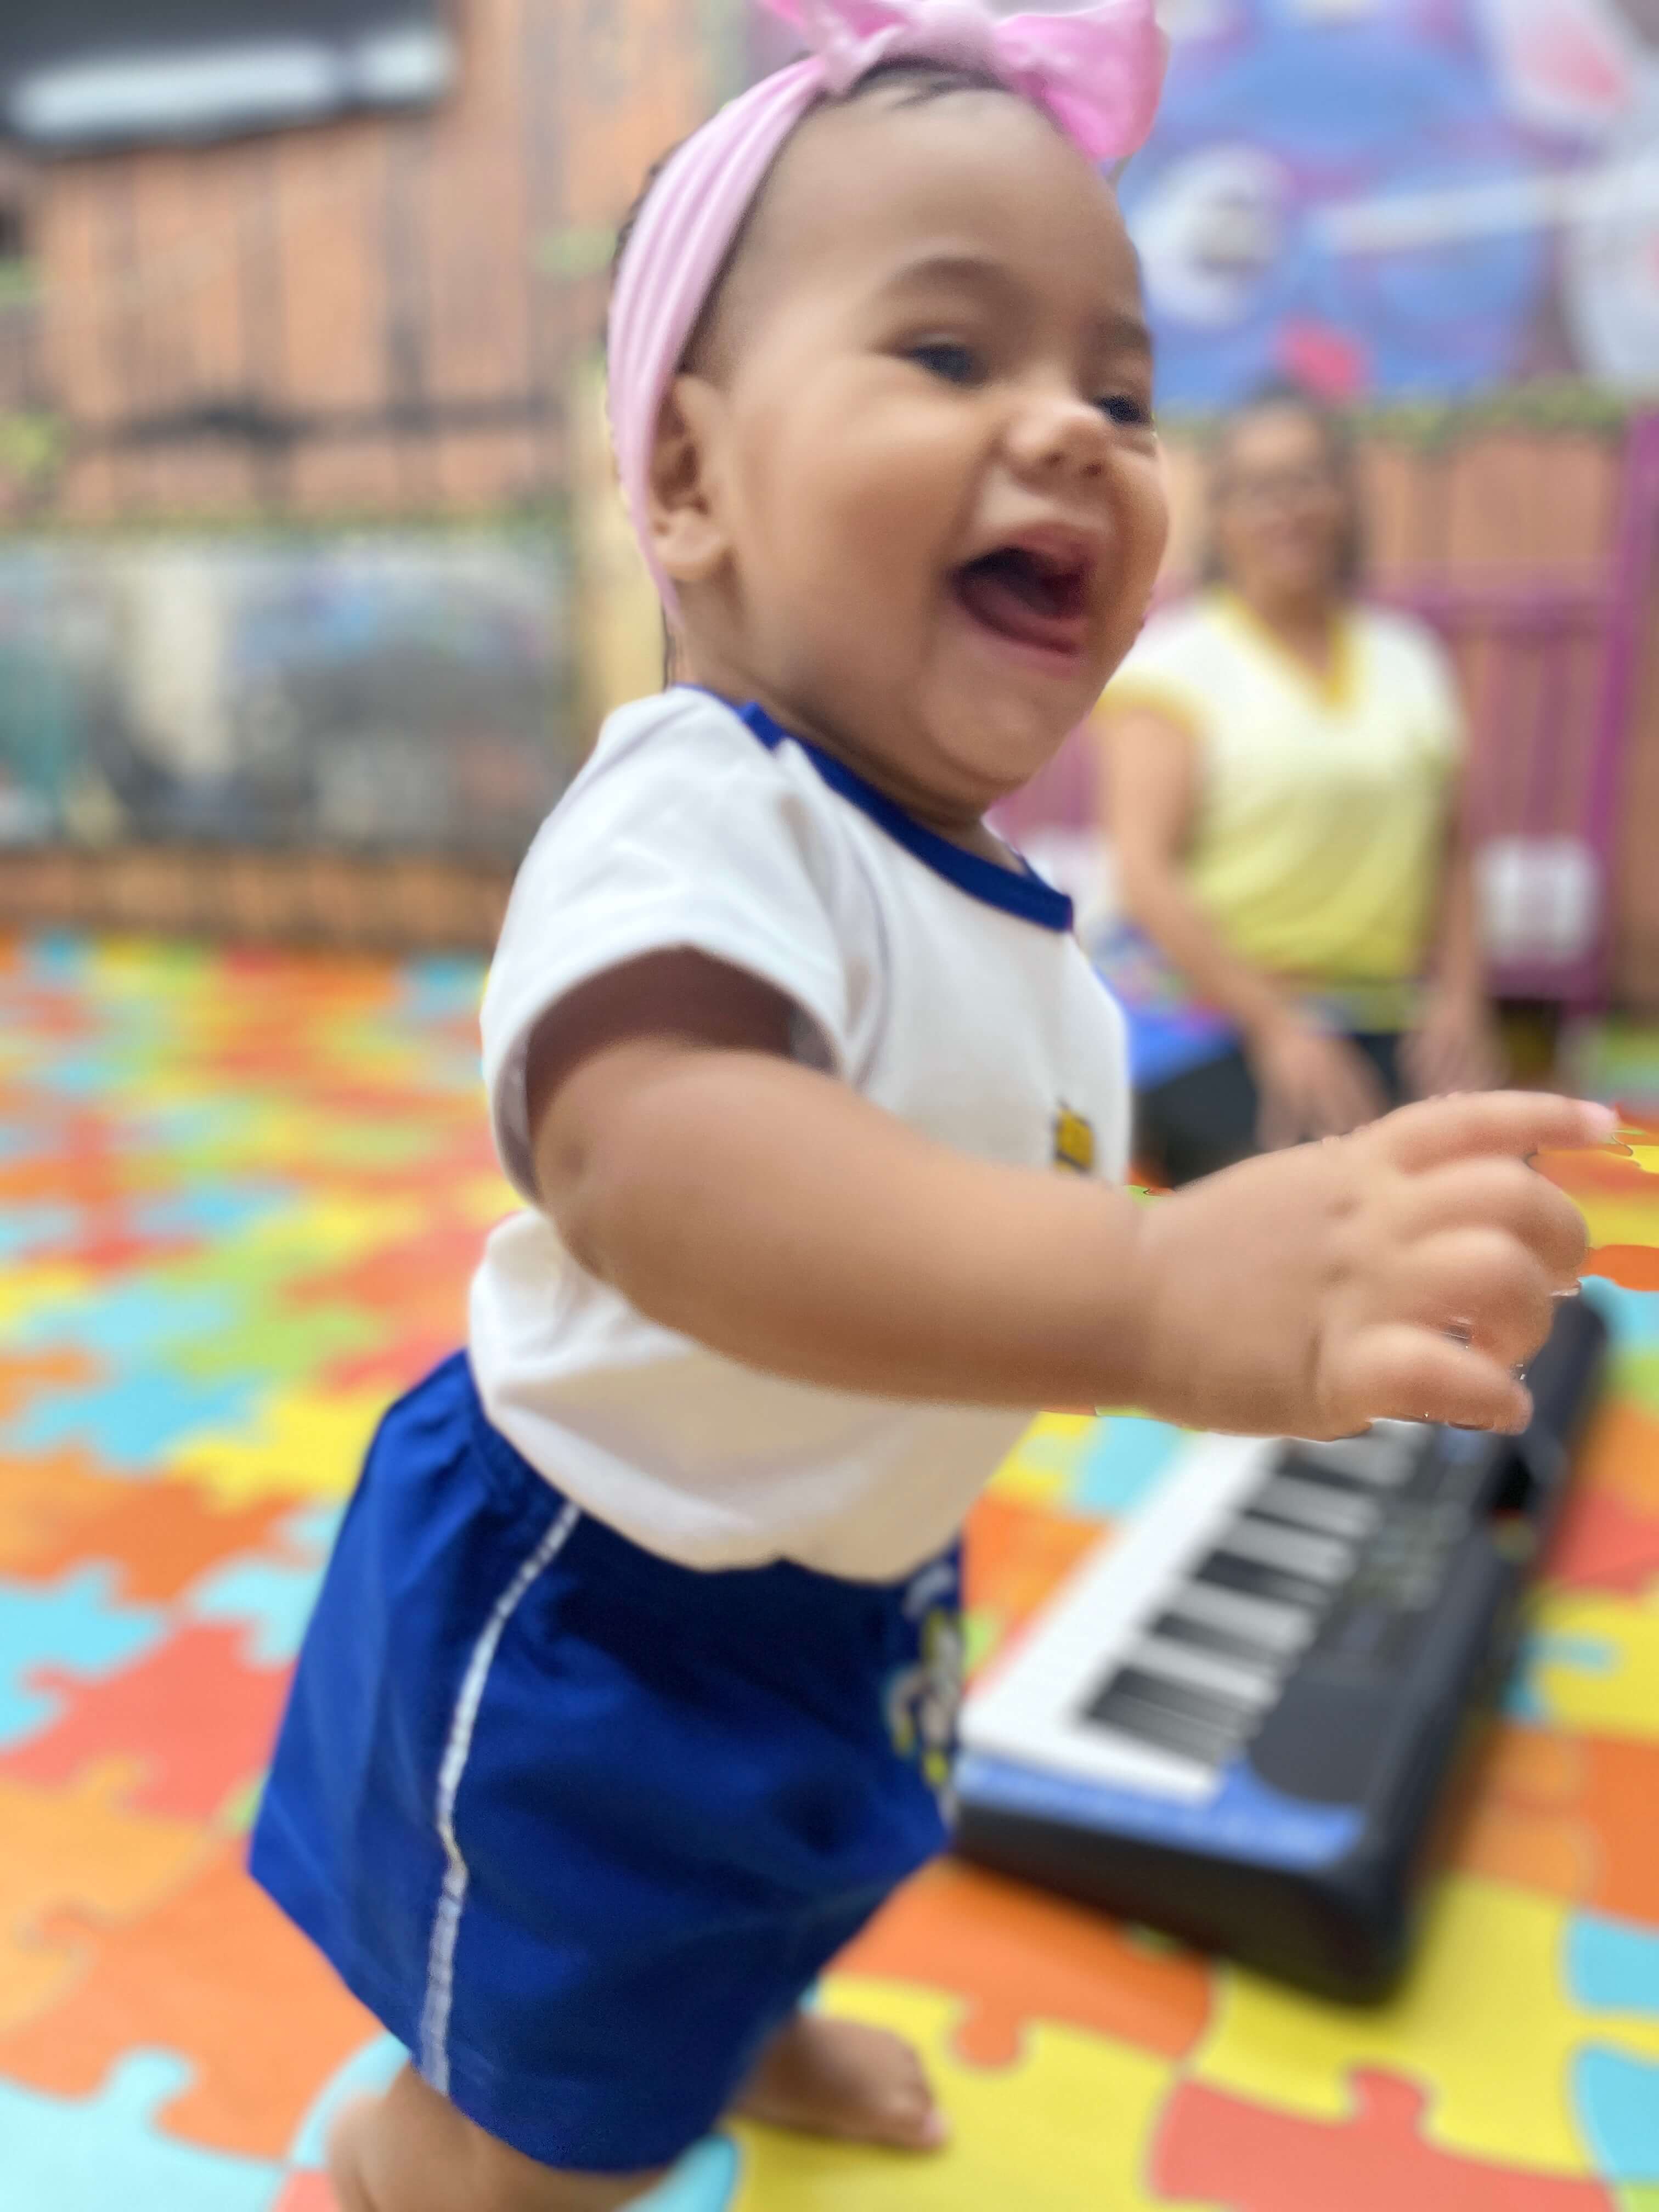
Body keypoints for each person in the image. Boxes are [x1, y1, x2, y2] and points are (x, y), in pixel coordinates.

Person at [247, 7, 1607, 2208]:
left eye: (1123, 391)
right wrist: (1150, 1289)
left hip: (847, 1582)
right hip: (605, 1607)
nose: (1068, 427)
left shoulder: (1007, 913)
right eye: (952, 354)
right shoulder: (708, 802)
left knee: (815, 1862)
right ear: (690, 479)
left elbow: (981, 1179)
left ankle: (745, 2020)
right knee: (533, 2127)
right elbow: (649, 1149)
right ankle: (392, 2170)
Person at [1093, 388, 1504, 1187]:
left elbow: (1453, 847)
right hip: (1200, 1007)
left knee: (1486, 1186)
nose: (1286, 511)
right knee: (1304, 1193)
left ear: (1345, 497)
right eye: (1257, 489)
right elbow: (1145, 874)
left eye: (1306, 480)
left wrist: (1461, 1001)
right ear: (1221, 516)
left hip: (1377, 1003)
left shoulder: (1410, 657)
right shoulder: (1174, 666)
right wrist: (1276, 1027)